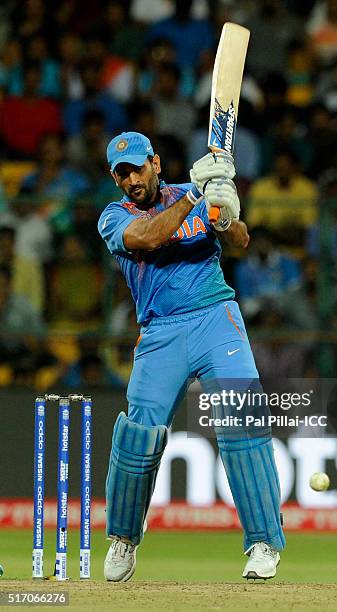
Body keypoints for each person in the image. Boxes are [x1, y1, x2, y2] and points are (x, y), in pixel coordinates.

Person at [98, 132, 285, 582]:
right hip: (160, 331)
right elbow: (148, 236)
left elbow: (239, 239)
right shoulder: (114, 216)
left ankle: (263, 543)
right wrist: (197, 196)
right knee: (138, 436)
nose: (131, 179)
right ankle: (124, 538)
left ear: (155, 164)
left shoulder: (195, 190)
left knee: (242, 419)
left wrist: (225, 213)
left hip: (215, 317)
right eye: (122, 173)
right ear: (114, 178)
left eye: (138, 168)